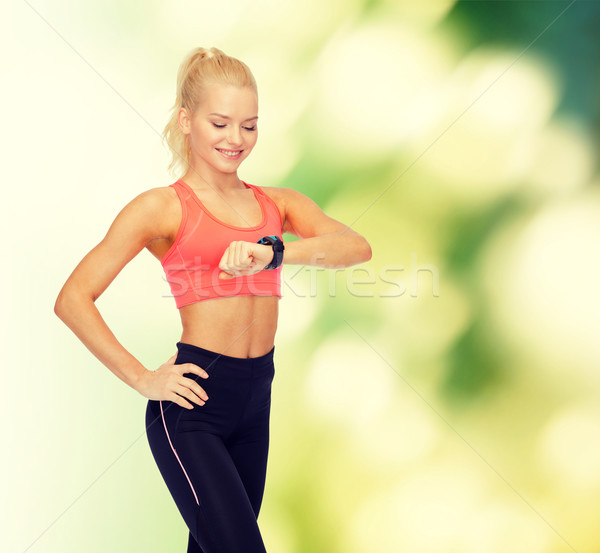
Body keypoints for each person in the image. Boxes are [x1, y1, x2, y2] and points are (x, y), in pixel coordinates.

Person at [54, 46, 372, 553]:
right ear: (187, 120)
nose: (235, 139)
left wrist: (274, 251)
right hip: (194, 403)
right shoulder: (160, 208)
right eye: (220, 123)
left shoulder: (277, 205)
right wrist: (144, 378)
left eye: (249, 125)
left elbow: (355, 247)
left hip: (256, 397)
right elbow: (73, 298)